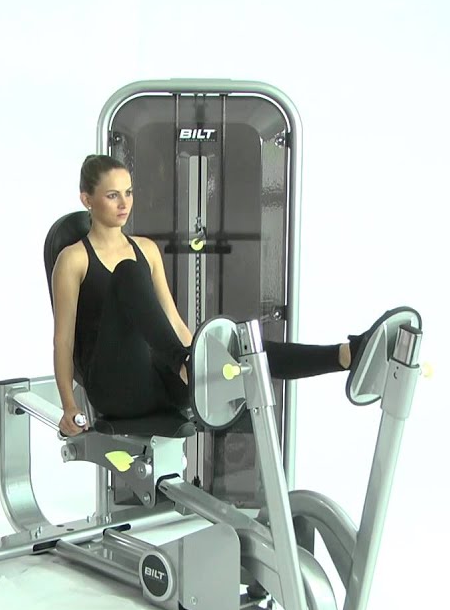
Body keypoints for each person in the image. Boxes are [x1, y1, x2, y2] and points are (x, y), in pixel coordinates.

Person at [51, 154, 375, 437]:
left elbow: (172, 320)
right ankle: (186, 364)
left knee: (238, 345)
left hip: (162, 383)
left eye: (129, 192)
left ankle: (345, 355)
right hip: (115, 389)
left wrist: (204, 354)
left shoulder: (146, 249)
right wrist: (69, 406)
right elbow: (63, 341)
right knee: (128, 272)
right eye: (112, 195)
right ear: (87, 199)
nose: (124, 203)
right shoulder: (73, 259)